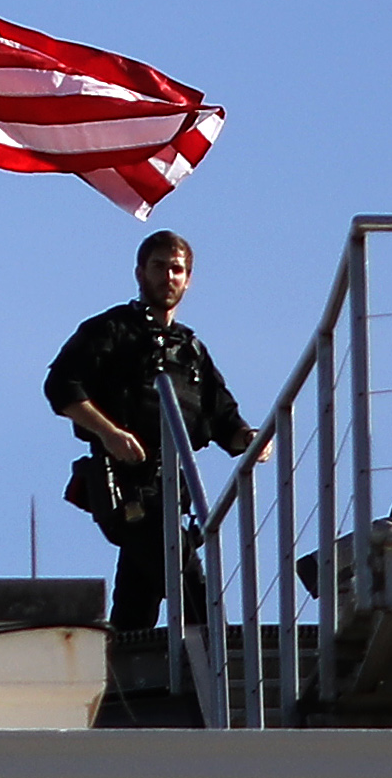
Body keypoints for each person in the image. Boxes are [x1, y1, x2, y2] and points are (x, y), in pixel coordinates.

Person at [43, 230, 256, 633]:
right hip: (124, 489)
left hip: (171, 493)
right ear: (140, 272)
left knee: (137, 599)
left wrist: (248, 438)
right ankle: (221, 663)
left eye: (177, 269)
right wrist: (108, 432)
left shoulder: (190, 349)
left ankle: (120, 674)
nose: (168, 276)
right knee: (188, 579)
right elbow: (61, 387)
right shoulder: (112, 330)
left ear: (188, 280)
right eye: (159, 266)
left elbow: (222, 414)